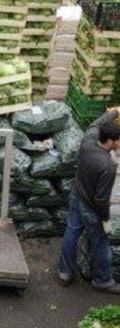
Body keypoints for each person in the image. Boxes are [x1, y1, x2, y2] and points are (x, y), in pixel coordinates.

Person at [58, 109, 120, 294]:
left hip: (77, 195)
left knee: (71, 232)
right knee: (100, 243)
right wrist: (106, 220)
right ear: (111, 141)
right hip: (92, 208)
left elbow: (96, 123)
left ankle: (64, 272)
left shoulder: (88, 141)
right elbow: (101, 199)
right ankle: (102, 280)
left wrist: (115, 112)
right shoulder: (108, 166)